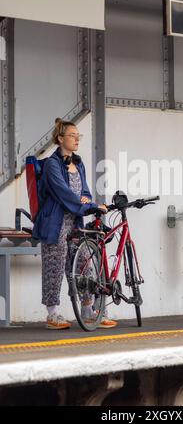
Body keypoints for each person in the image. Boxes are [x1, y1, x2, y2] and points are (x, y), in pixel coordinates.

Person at [32, 118, 118, 330]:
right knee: (55, 266)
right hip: (55, 222)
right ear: (60, 139)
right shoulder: (52, 164)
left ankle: (88, 310)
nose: (76, 139)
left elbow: (85, 192)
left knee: (83, 265)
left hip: (75, 222)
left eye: (78, 135)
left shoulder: (78, 163)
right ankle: (52, 314)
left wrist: (91, 203)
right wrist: (87, 206)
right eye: (72, 135)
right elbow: (65, 195)